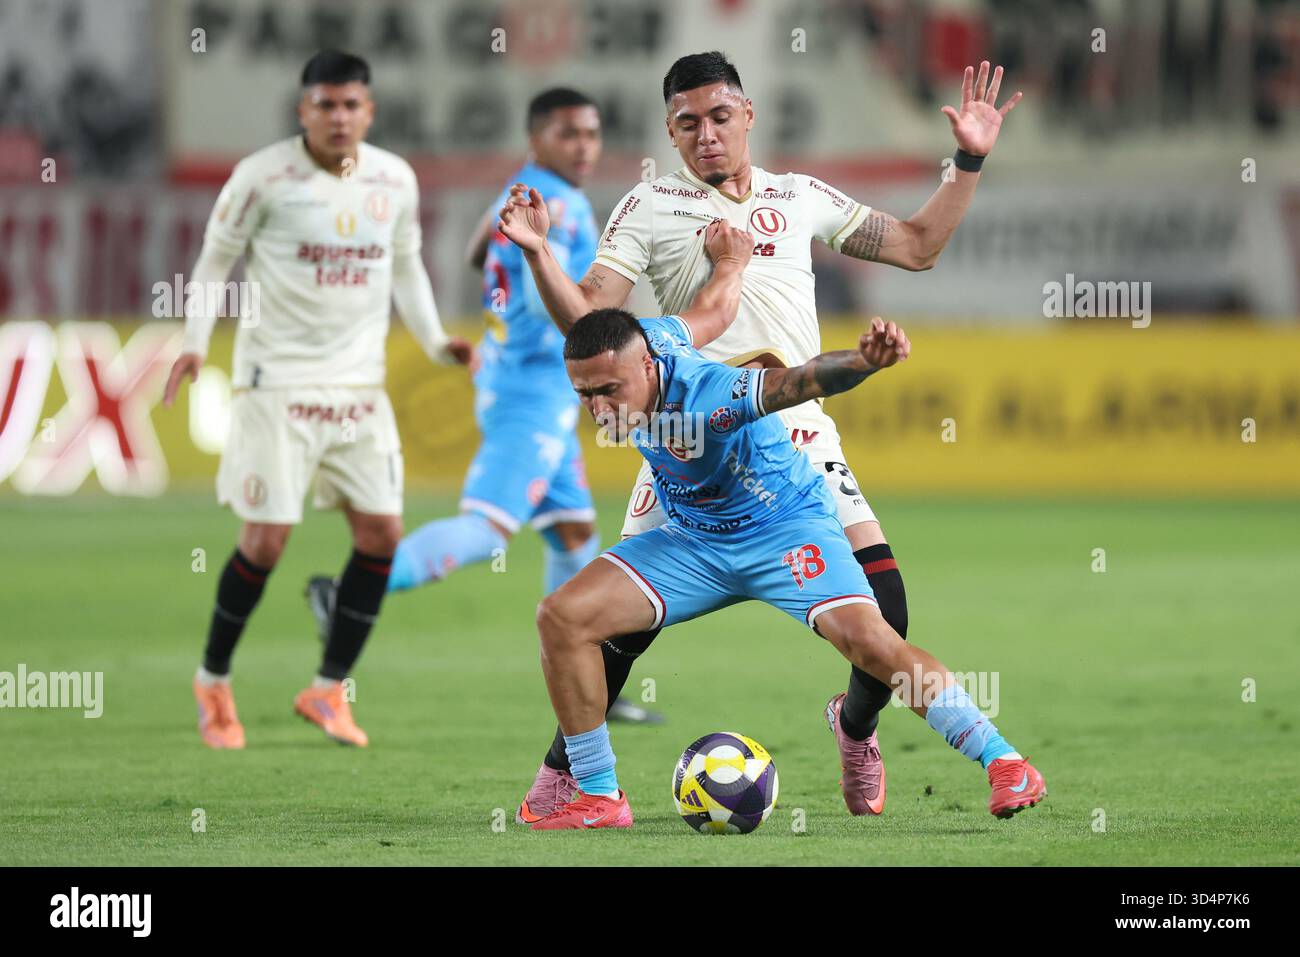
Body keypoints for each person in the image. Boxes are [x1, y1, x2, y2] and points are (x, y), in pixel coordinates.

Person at [500, 50, 1022, 819]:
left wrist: (969, 157)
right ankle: (569, 776)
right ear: (670, 133)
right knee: (618, 632)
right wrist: (541, 254)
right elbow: (592, 324)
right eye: (687, 123)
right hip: (690, 435)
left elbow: (917, 246)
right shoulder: (648, 206)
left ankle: (853, 727)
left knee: (887, 615)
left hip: (798, 429)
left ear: (747, 115)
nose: (706, 135)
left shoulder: (800, 196)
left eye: (719, 117)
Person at [526, 308, 1045, 828]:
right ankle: (600, 796)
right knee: (561, 617)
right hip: (694, 541)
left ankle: (1006, 763)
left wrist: (865, 361)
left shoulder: (714, 394)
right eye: (584, 395)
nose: (598, 409)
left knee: (873, 644)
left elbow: (802, 380)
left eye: (609, 391)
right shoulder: (650, 336)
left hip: (784, 529)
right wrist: (536, 251)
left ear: (646, 365)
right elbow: (712, 309)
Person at [163, 50, 472, 749]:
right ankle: (213, 679)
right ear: (303, 110)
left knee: (382, 535)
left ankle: (328, 688)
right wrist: (191, 339)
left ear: (370, 110)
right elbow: (215, 260)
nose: (339, 117)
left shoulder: (394, 178)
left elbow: (405, 267)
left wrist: (432, 341)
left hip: (359, 388)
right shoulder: (262, 177)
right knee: (267, 540)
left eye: (351, 105)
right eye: (325, 105)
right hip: (278, 382)